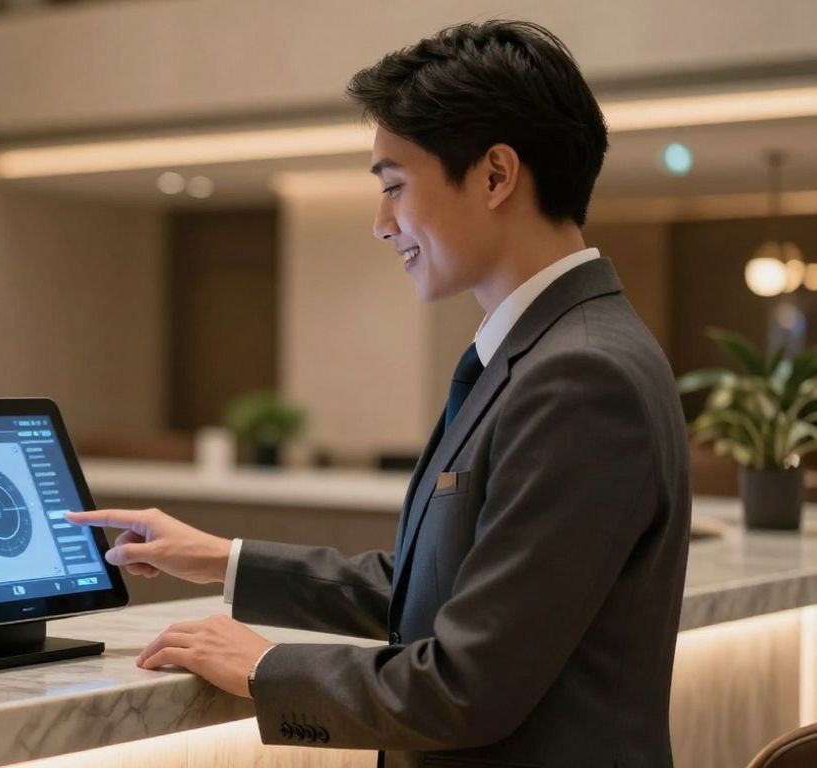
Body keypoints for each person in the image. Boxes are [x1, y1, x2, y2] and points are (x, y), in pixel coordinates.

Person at [67, 19, 690, 768]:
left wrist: (263, 666)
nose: (381, 223)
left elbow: (467, 685)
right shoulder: (551, 351)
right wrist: (222, 559)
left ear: (495, 175)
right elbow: (435, 594)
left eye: (394, 185)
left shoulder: (582, 376)